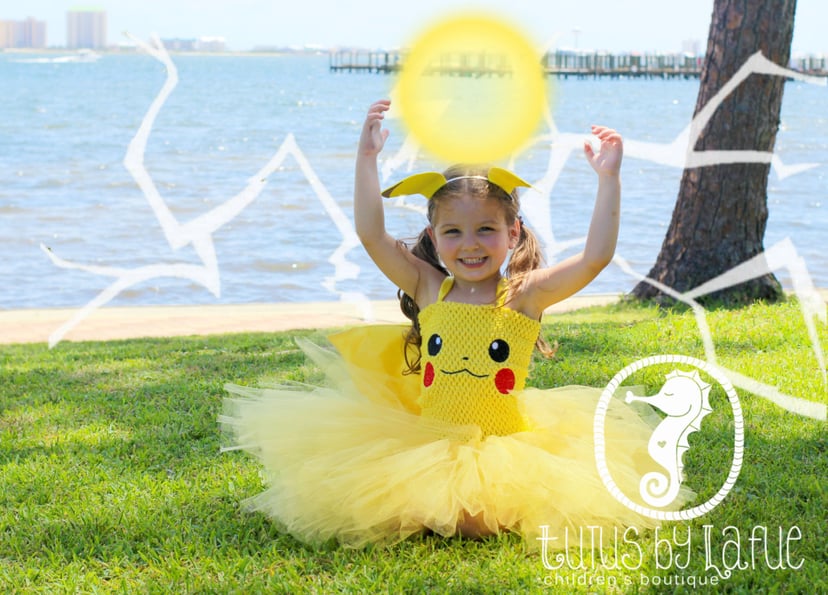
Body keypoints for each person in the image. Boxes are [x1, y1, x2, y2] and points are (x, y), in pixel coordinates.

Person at [221, 99, 681, 548]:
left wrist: (609, 178)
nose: (470, 245)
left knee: (478, 520)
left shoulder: (525, 293)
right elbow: (370, 234)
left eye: (486, 229)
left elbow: (596, 256)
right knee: (423, 510)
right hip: (429, 442)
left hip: (502, 445)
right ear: (433, 237)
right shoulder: (427, 286)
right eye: (453, 232)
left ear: (513, 232)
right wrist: (366, 159)